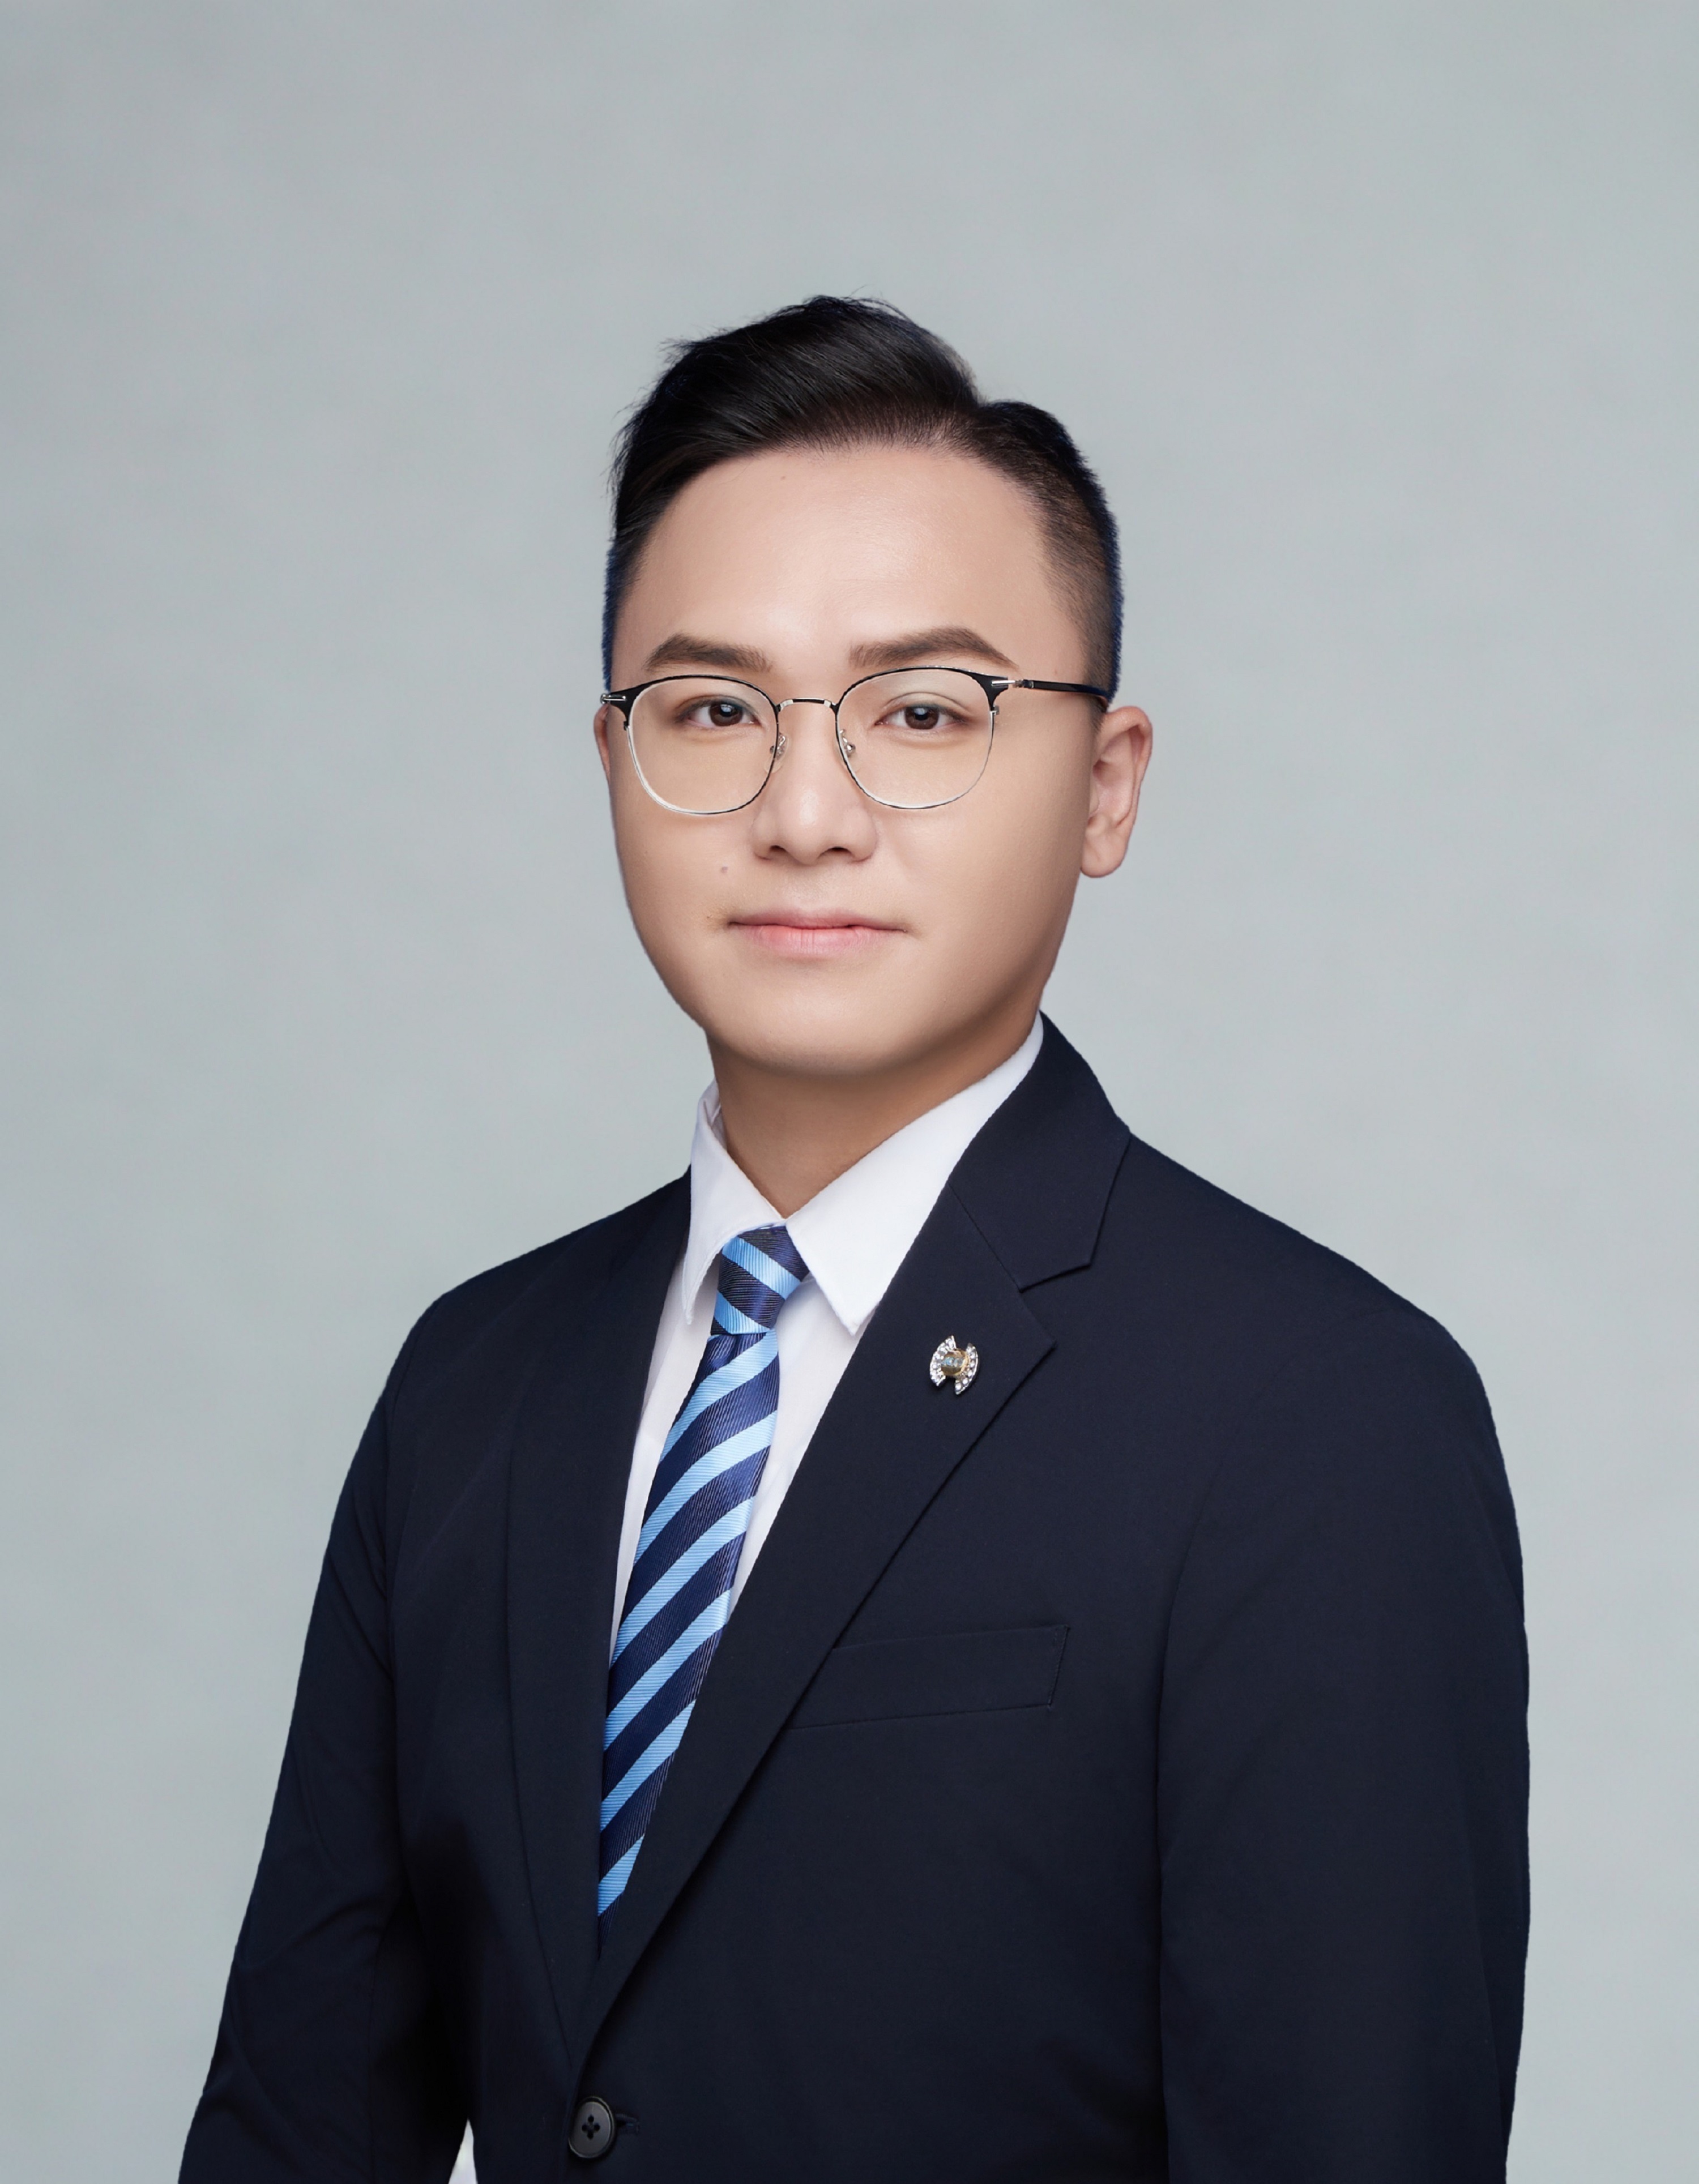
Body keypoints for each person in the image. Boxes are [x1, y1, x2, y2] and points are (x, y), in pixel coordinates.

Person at [180, 297, 1529, 2183]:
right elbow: (294, 2129)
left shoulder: (1321, 1415)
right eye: (714, 711)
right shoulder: (475, 1385)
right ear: (611, 760)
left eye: (922, 713)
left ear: (1108, 783)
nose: (804, 812)